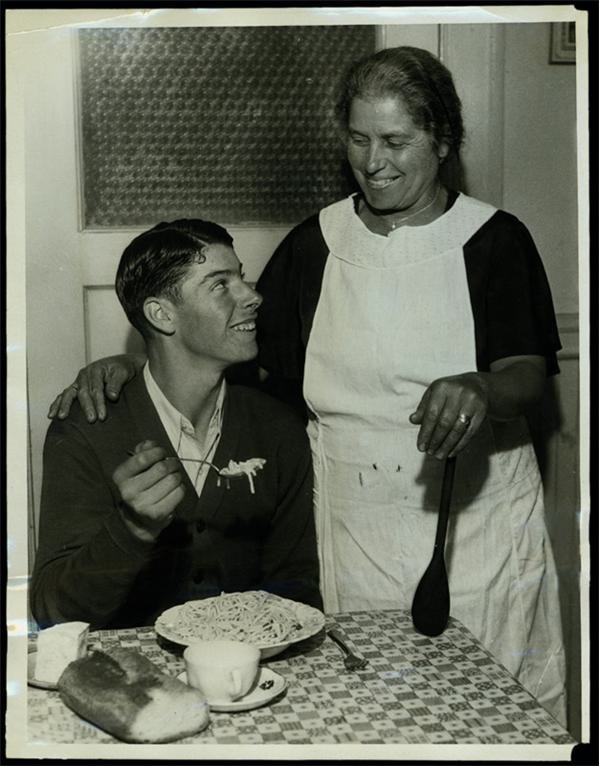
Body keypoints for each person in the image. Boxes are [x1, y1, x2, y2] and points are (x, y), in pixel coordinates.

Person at [47, 47, 566, 724]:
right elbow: (216, 342)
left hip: (475, 529)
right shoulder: (316, 245)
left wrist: (482, 388)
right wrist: (123, 364)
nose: (373, 162)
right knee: (373, 706)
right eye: (357, 139)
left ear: (442, 141)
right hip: (352, 528)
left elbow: (528, 375)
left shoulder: (494, 241)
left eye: (395, 141)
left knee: (490, 711)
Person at [32, 218, 322, 631]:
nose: (254, 296)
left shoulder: (277, 428)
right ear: (162, 314)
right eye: (220, 285)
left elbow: (297, 592)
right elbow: (52, 611)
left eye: (241, 278)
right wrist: (130, 529)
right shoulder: (88, 427)